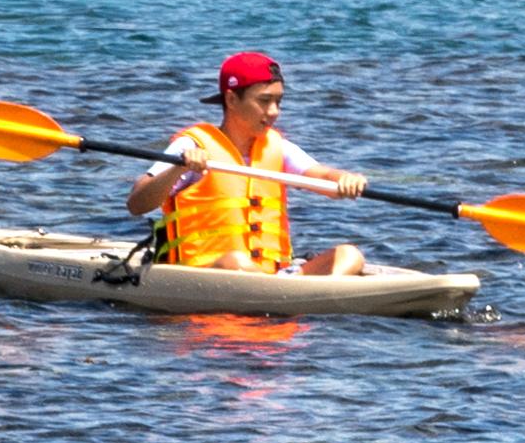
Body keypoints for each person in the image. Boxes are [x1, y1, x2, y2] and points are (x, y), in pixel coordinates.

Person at [127, 49, 377, 276]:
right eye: (264, 101)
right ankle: (288, 295)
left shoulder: (277, 146)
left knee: (349, 254)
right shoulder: (192, 146)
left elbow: (321, 177)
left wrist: (344, 179)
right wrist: (179, 167)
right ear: (232, 100)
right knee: (237, 262)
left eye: (278, 101)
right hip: (205, 272)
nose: (274, 111)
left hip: (271, 275)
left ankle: (307, 293)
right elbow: (138, 203)